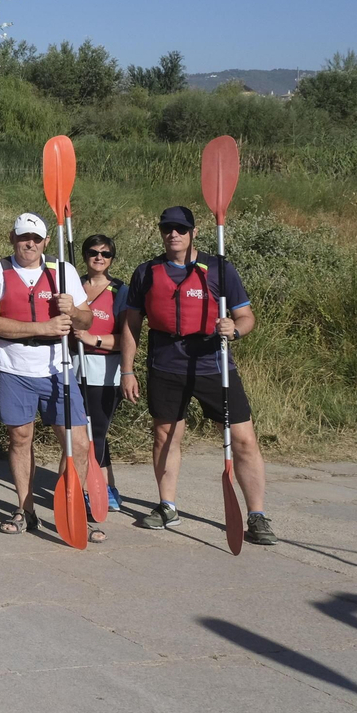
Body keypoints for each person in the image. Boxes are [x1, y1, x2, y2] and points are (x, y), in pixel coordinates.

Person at [119, 206, 274, 544]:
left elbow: (246, 316)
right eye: (167, 229)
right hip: (165, 365)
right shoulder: (146, 272)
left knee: (243, 440)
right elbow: (131, 325)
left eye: (180, 229)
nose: (173, 234)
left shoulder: (219, 269)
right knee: (165, 436)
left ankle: (257, 515)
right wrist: (127, 369)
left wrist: (235, 329)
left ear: (194, 232)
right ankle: (167, 506)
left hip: (213, 365)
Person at [0, 213, 99, 541]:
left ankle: (71, 509)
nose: (29, 243)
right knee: (20, 438)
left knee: (78, 443)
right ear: (12, 238)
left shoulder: (63, 271)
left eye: (35, 238)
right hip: (12, 367)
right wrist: (43, 327)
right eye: (23, 237)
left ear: (46, 241)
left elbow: (87, 321)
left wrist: (74, 311)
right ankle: (26, 509)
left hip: (57, 367)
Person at [74, 233, 129, 511]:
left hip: (105, 371)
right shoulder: (72, 285)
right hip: (73, 368)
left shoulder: (120, 291)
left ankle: (98, 489)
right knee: (78, 435)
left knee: (96, 433)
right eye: (94, 252)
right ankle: (96, 487)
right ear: (85, 256)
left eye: (105, 254)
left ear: (111, 259)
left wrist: (92, 339)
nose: (99, 257)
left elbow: (126, 338)